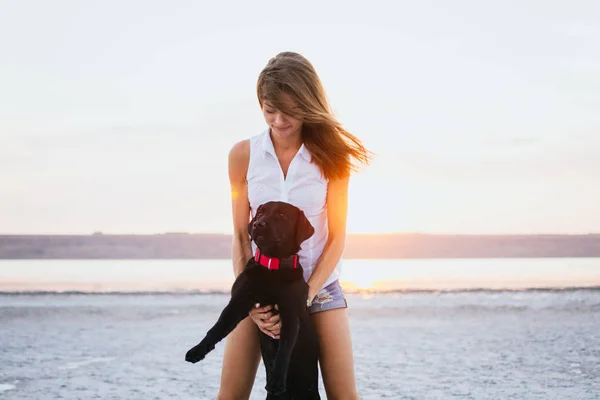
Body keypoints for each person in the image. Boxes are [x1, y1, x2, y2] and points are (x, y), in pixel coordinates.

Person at [219, 51, 370, 399]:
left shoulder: (333, 158)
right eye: (269, 109)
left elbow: (336, 239)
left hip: (320, 290)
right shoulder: (243, 155)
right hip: (259, 289)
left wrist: (303, 296)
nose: (278, 119)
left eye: (288, 108)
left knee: (344, 396)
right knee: (229, 396)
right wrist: (252, 303)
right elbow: (241, 236)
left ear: (308, 101)